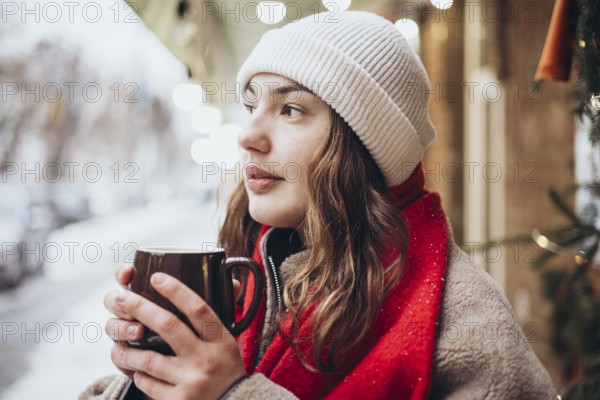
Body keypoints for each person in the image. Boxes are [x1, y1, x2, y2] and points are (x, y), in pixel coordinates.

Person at [80, 10, 559, 400]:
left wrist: (233, 395)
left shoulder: (461, 320)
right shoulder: (256, 272)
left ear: (364, 146)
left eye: (290, 109)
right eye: (252, 106)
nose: (248, 136)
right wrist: (148, 378)